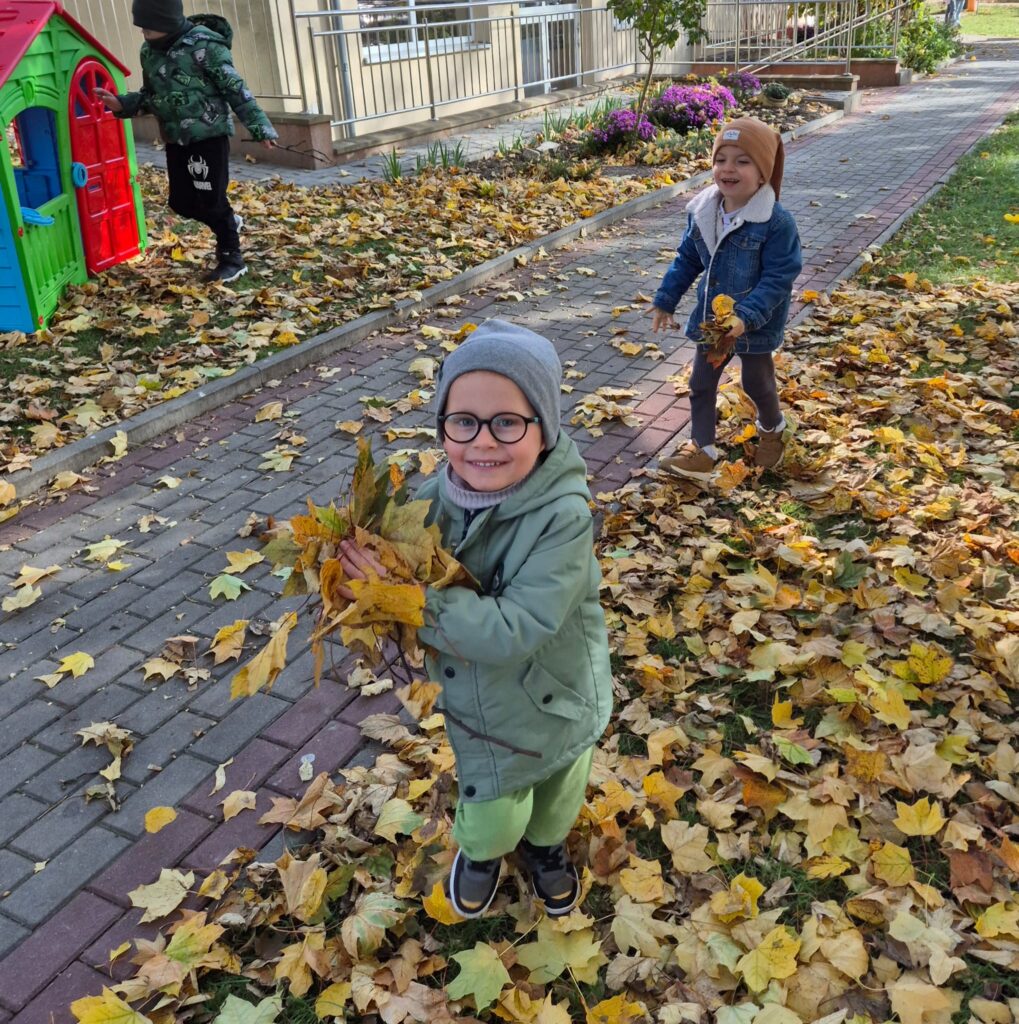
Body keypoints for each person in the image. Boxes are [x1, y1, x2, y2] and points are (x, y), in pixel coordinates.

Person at [338, 320, 613, 919]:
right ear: (442, 426)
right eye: (463, 422)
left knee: (557, 793)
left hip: (560, 693)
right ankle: (484, 854)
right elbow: (396, 575)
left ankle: (545, 851)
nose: (482, 442)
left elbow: (517, 626)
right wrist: (362, 575)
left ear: (544, 428)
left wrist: (405, 598)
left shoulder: (562, 516)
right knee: (492, 811)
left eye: (507, 422)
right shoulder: (434, 500)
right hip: (490, 714)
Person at [651, 117, 802, 474]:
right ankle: (702, 450)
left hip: (754, 322)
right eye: (721, 159)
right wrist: (665, 299)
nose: (728, 169)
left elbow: (780, 277)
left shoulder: (776, 222)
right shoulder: (704, 212)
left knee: (756, 381)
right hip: (714, 323)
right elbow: (687, 258)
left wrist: (746, 316)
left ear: (763, 173)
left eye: (742, 161)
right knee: (700, 383)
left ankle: (772, 430)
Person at [95, 0, 278, 284]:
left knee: (212, 199)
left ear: (167, 20)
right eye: (141, 26)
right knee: (180, 202)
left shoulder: (206, 47)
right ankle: (229, 223)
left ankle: (232, 257)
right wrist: (122, 104)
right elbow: (150, 96)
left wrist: (260, 127)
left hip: (208, 136)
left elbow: (235, 88)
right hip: (174, 137)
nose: (143, 32)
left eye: (149, 26)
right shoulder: (149, 52)